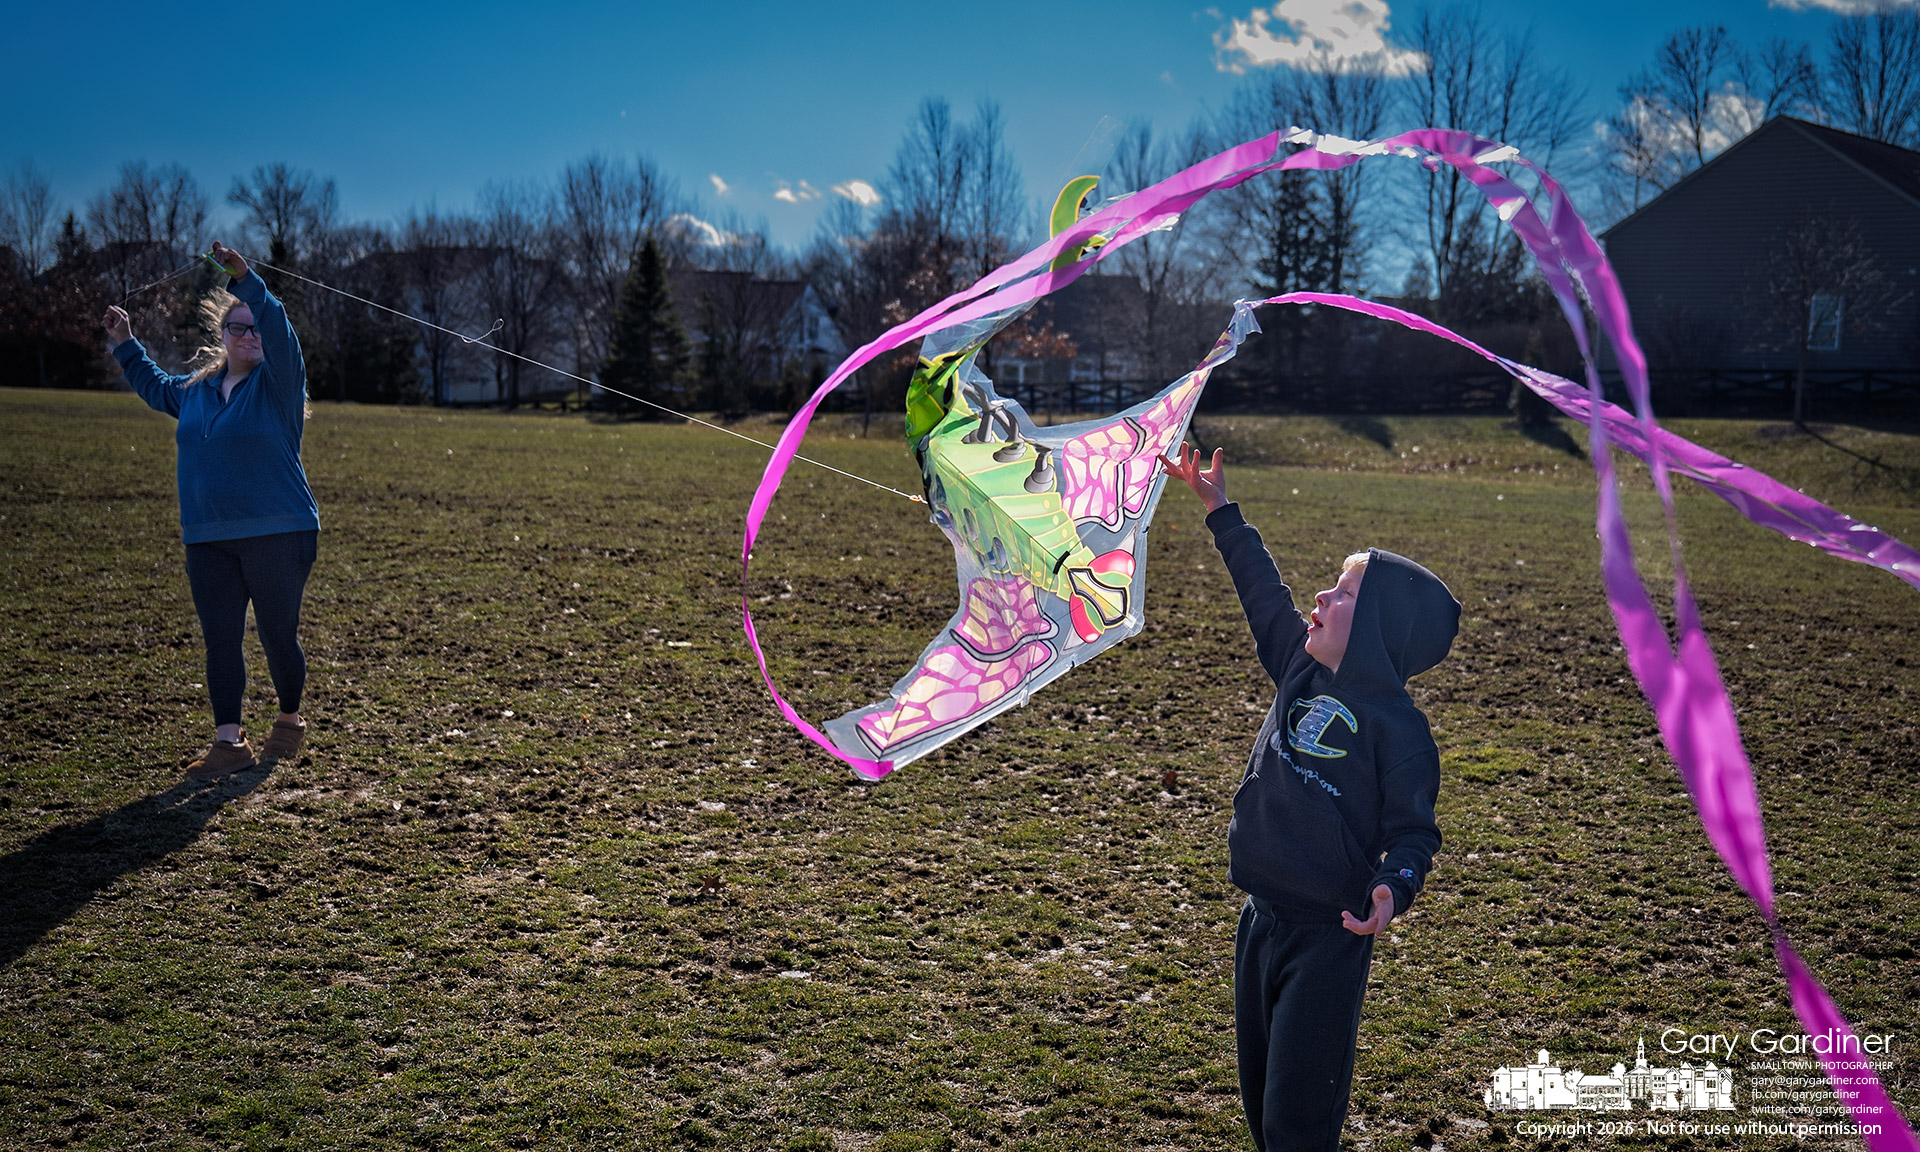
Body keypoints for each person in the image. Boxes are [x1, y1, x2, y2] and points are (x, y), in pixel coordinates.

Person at [1160, 443, 1460, 1152]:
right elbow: (1263, 591)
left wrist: (1393, 890)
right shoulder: (1300, 666)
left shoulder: (1400, 730)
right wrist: (1218, 508)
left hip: (1329, 937)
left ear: (1379, 631)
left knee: (1299, 1126)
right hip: (1259, 921)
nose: (1319, 599)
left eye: (1343, 594)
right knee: (1262, 1111)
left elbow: (1415, 834)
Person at [102, 241, 319, 780]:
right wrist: (125, 342)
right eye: (237, 328)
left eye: (255, 329)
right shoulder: (195, 392)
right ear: (222, 336)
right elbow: (154, 388)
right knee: (221, 638)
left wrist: (247, 281)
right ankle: (229, 743)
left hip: (279, 531)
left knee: (276, 635)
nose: (249, 336)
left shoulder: (278, 388)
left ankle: (289, 721)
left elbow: (277, 322)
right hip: (207, 537)